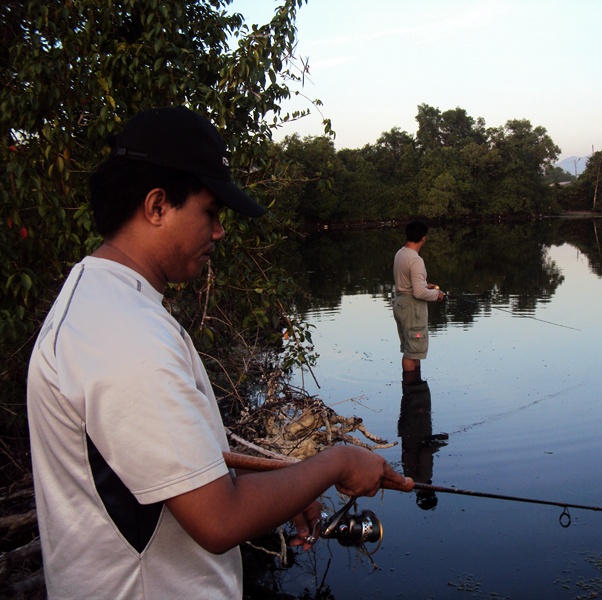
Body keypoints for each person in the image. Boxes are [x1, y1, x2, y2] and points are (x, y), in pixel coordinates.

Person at [26, 106, 407, 599]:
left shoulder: (102, 307)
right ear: (157, 205)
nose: (219, 232)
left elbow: (154, 466)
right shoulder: (126, 334)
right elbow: (218, 519)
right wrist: (335, 463)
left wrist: (294, 482)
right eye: (210, 212)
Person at [392, 220, 444, 384]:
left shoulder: (401, 253)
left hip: (400, 303)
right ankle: (412, 392)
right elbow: (419, 292)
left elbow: (411, 284)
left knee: (411, 349)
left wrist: (425, 285)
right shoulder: (415, 260)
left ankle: (413, 392)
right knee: (411, 351)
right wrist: (437, 294)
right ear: (423, 238)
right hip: (411, 308)